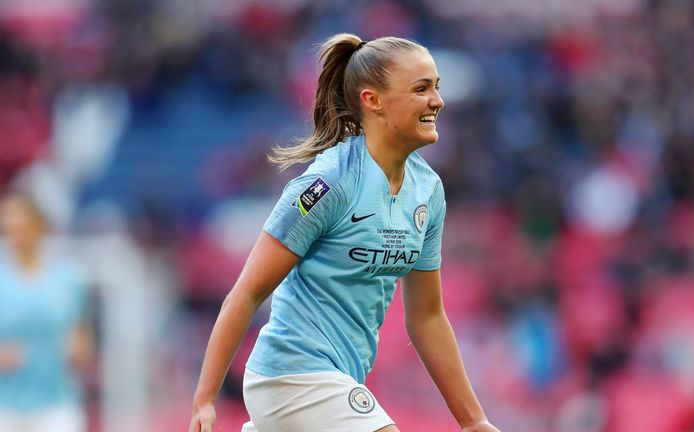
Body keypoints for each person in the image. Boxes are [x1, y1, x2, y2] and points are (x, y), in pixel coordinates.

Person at [189, 33, 500, 432]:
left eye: (436, 88)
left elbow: (427, 317)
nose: (437, 101)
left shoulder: (428, 191)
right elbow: (247, 292)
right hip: (290, 375)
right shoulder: (328, 184)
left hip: (340, 380)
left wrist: (473, 421)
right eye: (421, 89)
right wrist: (205, 399)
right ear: (373, 100)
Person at [0, 191, 94, 432]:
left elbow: (82, 336)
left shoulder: (67, 278)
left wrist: (79, 349)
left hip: (56, 403)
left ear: (39, 226)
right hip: (5, 405)